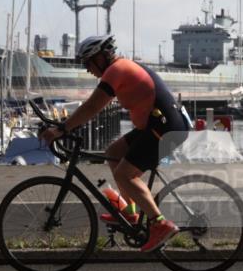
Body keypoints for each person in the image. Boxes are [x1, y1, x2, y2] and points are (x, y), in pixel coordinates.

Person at [41, 34, 186, 252]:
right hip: (155, 125)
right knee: (114, 152)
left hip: (165, 127)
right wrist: (66, 125)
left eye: (88, 63)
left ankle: (159, 223)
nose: (87, 69)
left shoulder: (116, 70)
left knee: (124, 174)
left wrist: (61, 129)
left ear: (100, 57)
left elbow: (92, 107)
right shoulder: (119, 69)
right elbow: (93, 108)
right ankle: (131, 212)